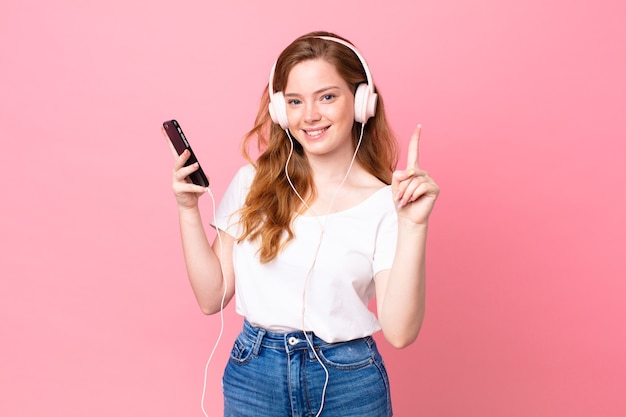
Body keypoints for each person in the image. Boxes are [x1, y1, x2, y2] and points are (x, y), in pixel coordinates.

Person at [167, 31, 439, 417]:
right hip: (254, 375)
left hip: (349, 380)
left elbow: (400, 332)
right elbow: (212, 297)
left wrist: (412, 226)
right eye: (295, 101)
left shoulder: (388, 204)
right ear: (281, 111)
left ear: (362, 103)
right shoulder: (252, 184)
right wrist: (186, 209)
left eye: (327, 96)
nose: (309, 115)